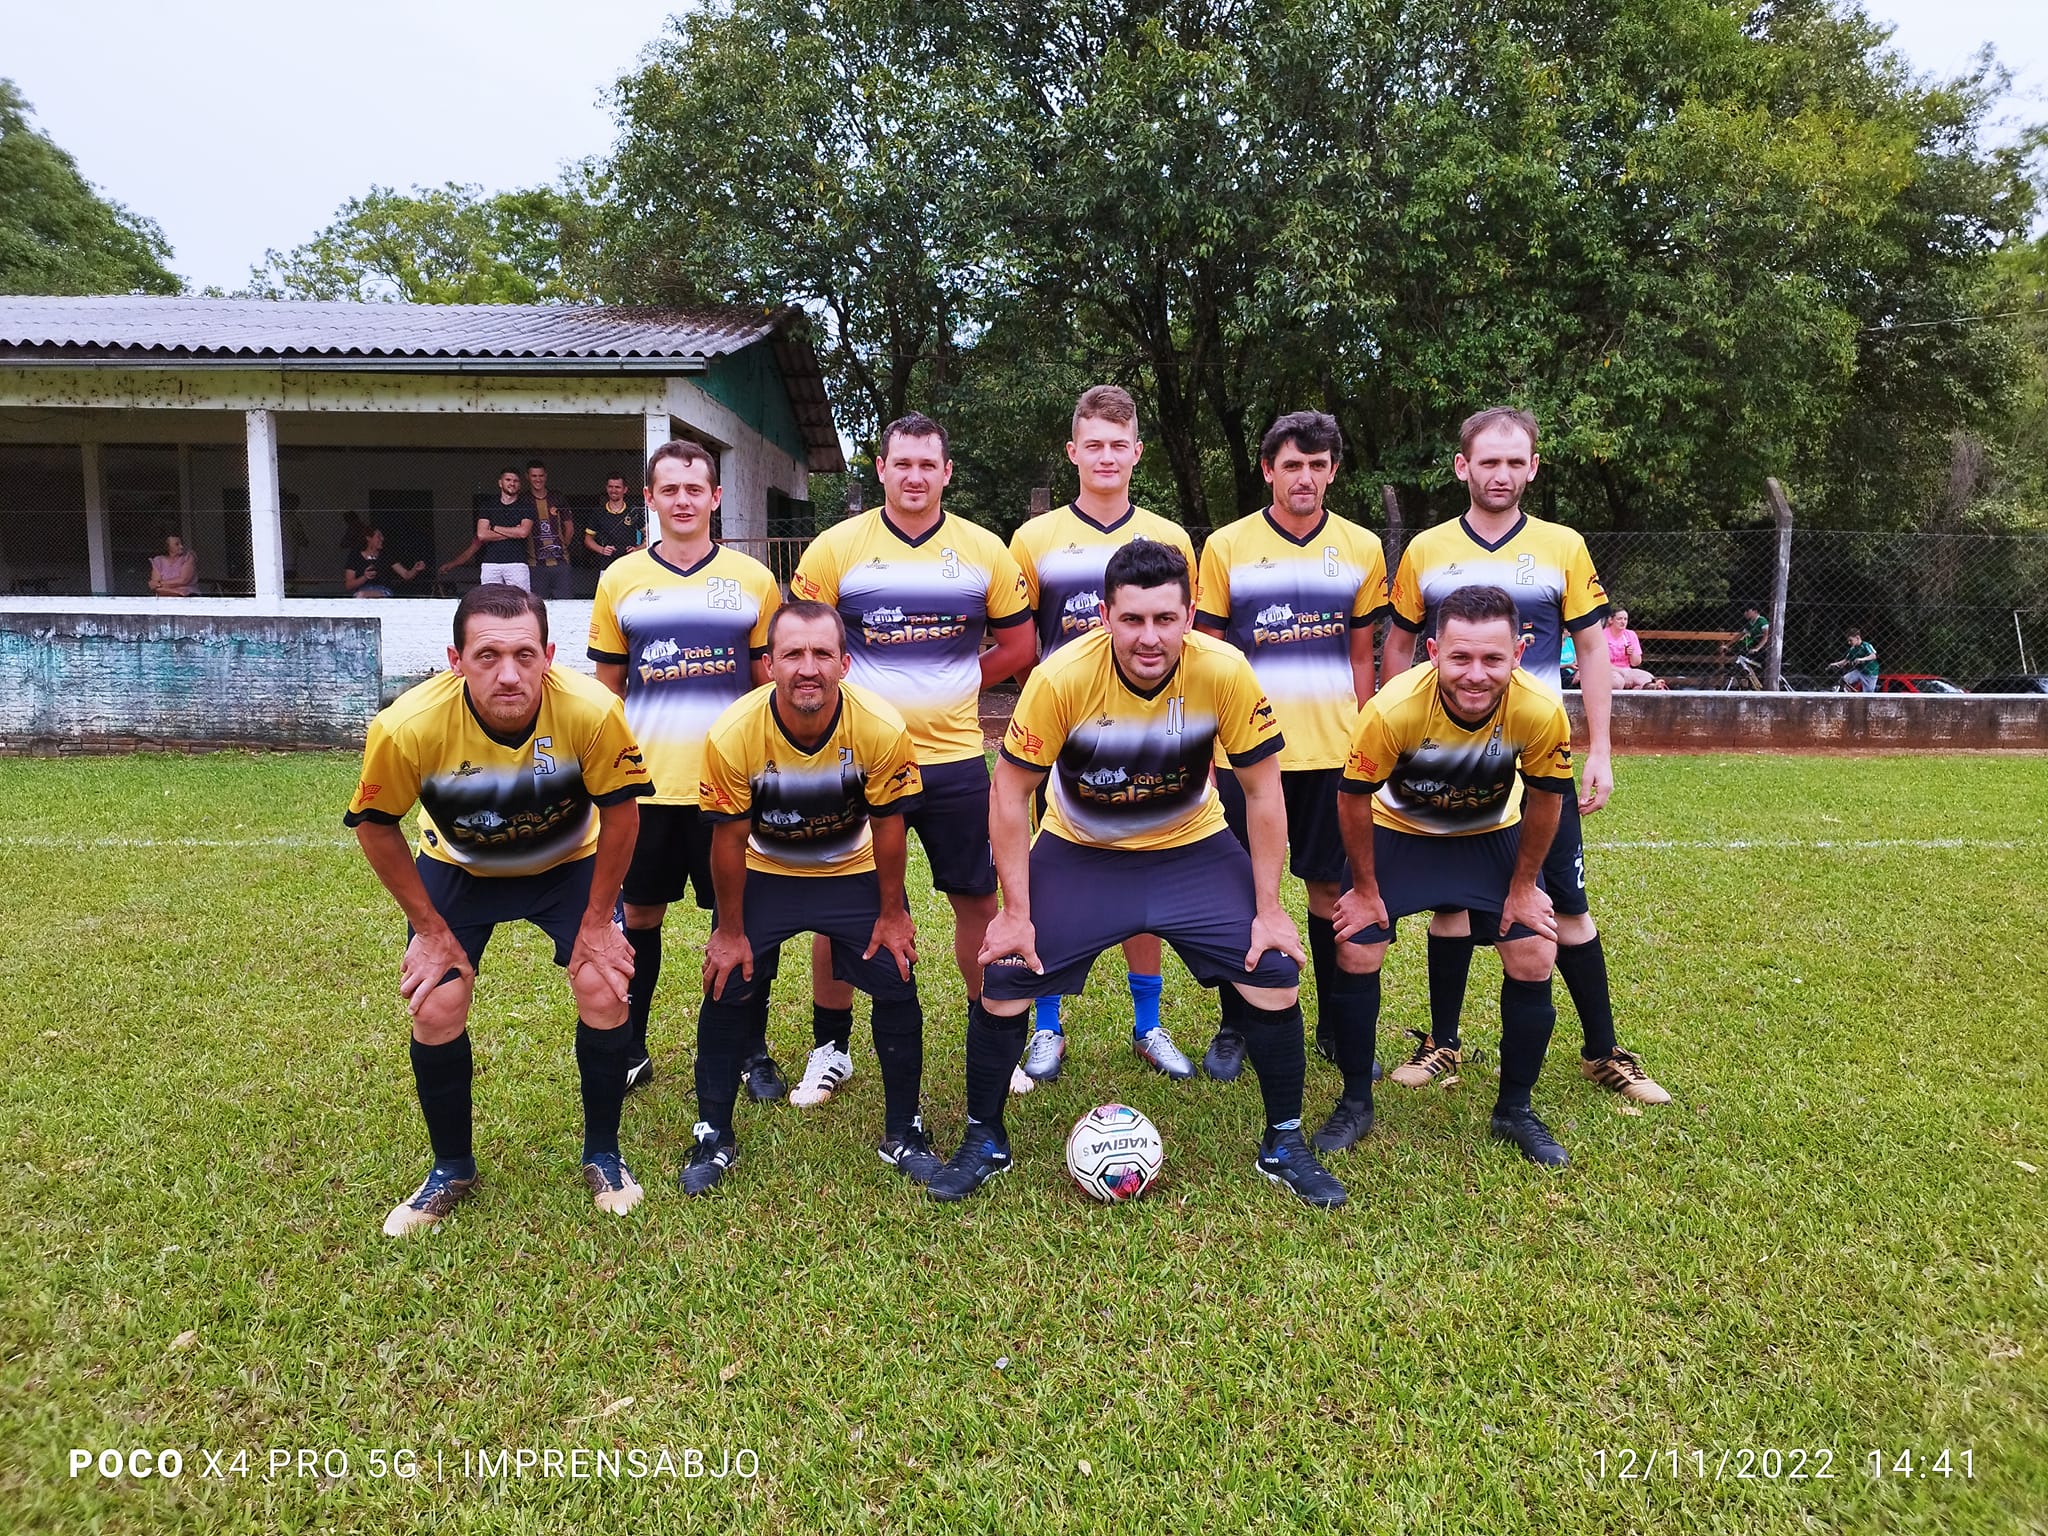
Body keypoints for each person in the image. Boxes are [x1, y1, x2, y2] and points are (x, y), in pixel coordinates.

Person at [929, 541, 1347, 1208]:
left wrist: (1269, 907)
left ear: (1188, 616)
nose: (1148, 638)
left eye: (1163, 619)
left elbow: (1264, 793)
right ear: (1104, 615)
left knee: (1271, 970)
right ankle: (985, 1139)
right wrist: (1015, 910)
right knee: (1007, 976)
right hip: (1081, 851)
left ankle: (1284, 1141)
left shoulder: (1225, 670)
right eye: (1131, 620)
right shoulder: (1062, 676)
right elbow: (1009, 794)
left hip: (1194, 849)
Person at [345, 584, 655, 1236]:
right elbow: (375, 826)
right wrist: (429, 930)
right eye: (487, 656)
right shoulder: (407, 727)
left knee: (604, 989)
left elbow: (624, 814)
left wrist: (598, 923)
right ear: (455, 659)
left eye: (522, 654)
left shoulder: (593, 711)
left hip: (567, 867)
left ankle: (604, 1153)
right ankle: (451, 1168)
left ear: (547, 655)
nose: (507, 674)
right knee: (435, 1004)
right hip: (460, 870)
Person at [1383, 406, 1668, 1104]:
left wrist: (1598, 746)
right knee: (1450, 907)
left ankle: (1604, 1052)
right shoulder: (1426, 550)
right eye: (1489, 461)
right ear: (1463, 467)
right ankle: (1443, 1044)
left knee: (1565, 905)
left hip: (1536, 760)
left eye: (1516, 462)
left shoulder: (1562, 545)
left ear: (1533, 467)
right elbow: (1397, 646)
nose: (1502, 473)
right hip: (1444, 760)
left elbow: (1594, 648)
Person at [789, 413, 1036, 1107]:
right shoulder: (837, 548)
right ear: (882, 469)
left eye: (928, 464)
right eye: (903, 464)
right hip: (854, 761)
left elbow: (1020, 648)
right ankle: (830, 1049)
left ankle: (993, 1031)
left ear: (947, 472)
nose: (915, 476)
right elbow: (801, 651)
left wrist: (958, 682)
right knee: (840, 904)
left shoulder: (984, 550)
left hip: (956, 758)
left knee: (977, 901)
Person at [679, 602, 935, 1193]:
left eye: (822, 653)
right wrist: (729, 929)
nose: (808, 668)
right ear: (768, 665)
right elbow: (728, 840)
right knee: (726, 981)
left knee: (897, 975)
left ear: (845, 664)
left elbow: (891, 828)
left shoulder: (882, 727)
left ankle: (905, 1131)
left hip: (852, 868)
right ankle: (713, 1134)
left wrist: (894, 914)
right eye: (793, 654)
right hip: (764, 868)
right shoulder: (732, 733)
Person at [1325, 584, 1575, 1167]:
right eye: (1460, 657)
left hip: (1489, 838)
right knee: (1358, 949)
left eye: (1493, 658)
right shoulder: (1391, 709)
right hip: (1401, 835)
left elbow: (1546, 800)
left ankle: (1515, 1109)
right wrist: (1364, 890)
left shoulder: (1540, 709)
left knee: (1535, 952)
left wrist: (1522, 887)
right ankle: (1356, 1101)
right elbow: (1352, 797)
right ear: (1432, 651)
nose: (1475, 674)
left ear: (1519, 652)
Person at [1005, 384, 1198, 1086]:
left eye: (1120, 445)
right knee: (1050, 876)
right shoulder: (1034, 539)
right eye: (1095, 445)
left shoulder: (1170, 538)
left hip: (1151, 736)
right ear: (1073, 452)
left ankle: (1148, 1025)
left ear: (1137, 452)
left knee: (1143, 877)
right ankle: (1047, 1025)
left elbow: (1183, 638)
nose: (1107, 456)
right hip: (1062, 738)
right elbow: (1022, 643)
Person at [1194, 410, 1387, 1083]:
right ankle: (1235, 1024)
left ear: (1333, 470)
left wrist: (1366, 735)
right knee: (1242, 891)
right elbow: (1209, 654)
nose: (1304, 477)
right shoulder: (1225, 546)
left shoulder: (1362, 547)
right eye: (1292, 464)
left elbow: (1363, 655)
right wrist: (1212, 742)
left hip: (1333, 752)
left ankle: (1335, 1022)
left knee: (1331, 890)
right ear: (1268, 469)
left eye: (1318, 464)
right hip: (1248, 759)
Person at [588, 440, 781, 1097]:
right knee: (639, 918)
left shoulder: (753, 582)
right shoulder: (620, 580)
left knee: (742, 920)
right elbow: (606, 692)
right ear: (649, 498)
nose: (682, 500)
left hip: (728, 791)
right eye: (668, 489)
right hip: (646, 791)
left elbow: (767, 689)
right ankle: (631, 1046)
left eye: (694, 489)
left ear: (715, 498)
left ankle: (751, 1050)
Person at [475, 468, 534, 589]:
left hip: (517, 563)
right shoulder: (488, 505)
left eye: (516, 481)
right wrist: (513, 532)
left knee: (519, 601)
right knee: (490, 602)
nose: (512, 483)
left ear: (520, 485)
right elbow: (482, 535)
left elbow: (523, 533)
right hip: (490, 563)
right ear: (500, 483)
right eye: (508, 480)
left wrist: (494, 528)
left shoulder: (527, 507)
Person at [525, 460, 576, 600]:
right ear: (527, 477)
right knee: (538, 605)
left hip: (560, 563)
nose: (538, 479)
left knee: (566, 604)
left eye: (540, 475)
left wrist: (562, 547)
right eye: (534, 476)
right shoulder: (524, 500)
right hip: (535, 565)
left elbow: (569, 528)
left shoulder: (557, 498)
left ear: (545, 476)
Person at [584, 474, 647, 571]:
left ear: (625, 489)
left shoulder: (634, 511)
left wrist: (637, 549)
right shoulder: (598, 512)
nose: (613, 490)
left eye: (617, 487)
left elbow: (649, 536)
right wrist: (602, 550)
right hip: (607, 565)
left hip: (630, 564)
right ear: (606, 488)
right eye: (610, 487)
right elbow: (588, 539)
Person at [344, 527, 423, 598]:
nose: (382, 539)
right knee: (360, 595)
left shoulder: (387, 555)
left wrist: (415, 569)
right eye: (379, 536)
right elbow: (349, 585)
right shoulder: (355, 556)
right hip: (362, 591)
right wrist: (365, 577)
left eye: (382, 536)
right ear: (368, 538)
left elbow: (406, 575)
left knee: (366, 595)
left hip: (383, 591)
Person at [1604, 607, 1661, 689]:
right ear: (1611, 620)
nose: (1623, 622)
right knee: (1618, 682)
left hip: (1628, 670)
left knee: (1648, 679)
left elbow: (1636, 663)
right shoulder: (1602, 636)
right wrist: (1623, 672)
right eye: (1619, 619)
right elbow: (1601, 663)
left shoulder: (1630, 635)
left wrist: (1632, 653)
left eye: (1625, 619)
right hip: (1609, 671)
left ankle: (1637, 694)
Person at [1725, 604, 1770, 687]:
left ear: (1755, 611)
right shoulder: (1750, 623)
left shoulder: (1762, 621)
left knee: (1764, 668)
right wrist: (1727, 645)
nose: (1745, 613)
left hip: (1765, 648)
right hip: (1755, 648)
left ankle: (1764, 684)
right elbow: (1740, 635)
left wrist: (1757, 648)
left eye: (1747, 611)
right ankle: (1755, 685)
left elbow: (1766, 636)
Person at [1829, 627, 1879, 692]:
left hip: (1871, 673)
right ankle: (1848, 692)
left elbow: (1874, 655)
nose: (1849, 643)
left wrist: (1862, 659)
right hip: (1859, 671)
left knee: (1868, 695)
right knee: (1844, 680)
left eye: (1850, 640)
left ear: (1857, 638)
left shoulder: (1866, 645)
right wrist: (1835, 664)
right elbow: (1846, 660)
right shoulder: (1852, 649)